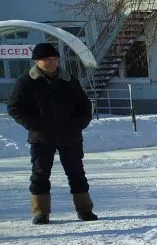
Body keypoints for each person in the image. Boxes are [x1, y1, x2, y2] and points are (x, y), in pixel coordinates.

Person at [6, 41, 96, 224]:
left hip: (70, 136)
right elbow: (14, 107)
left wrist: (78, 124)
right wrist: (33, 124)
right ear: (37, 61)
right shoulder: (26, 81)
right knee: (40, 174)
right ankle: (40, 212)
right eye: (47, 59)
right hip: (41, 137)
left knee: (77, 173)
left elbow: (85, 106)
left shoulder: (68, 79)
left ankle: (85, 210)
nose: (52, 62)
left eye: (55, 58)